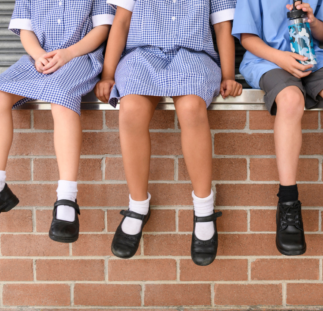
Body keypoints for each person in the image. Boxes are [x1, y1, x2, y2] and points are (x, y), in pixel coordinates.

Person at [95, 0, 242, 265]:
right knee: (131, 110)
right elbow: (122, 22)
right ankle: (138, 206)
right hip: (142, 56)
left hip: (194, 57)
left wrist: (229, 75)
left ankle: (204, 209)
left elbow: (222, 27)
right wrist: (107, 75)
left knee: (192, 109)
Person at [233, 0, 323, 257]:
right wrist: (281, 57)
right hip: (267, 59)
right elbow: (247, 38)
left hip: (311, 57)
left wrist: (313, 20)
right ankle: (288, 203)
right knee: (291, 100)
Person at [0, 0, 114, 243]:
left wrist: (68, 53)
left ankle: (67, 197)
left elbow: (102, 29)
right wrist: (38, 54)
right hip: (39, 57)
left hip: (79, 57)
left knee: (61, 98)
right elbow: (26, 29)